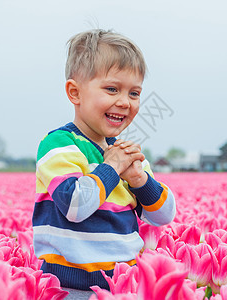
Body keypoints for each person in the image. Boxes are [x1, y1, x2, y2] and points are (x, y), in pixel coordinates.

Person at [32, 29, 176, 296]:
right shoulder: (59, 145)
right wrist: (111, 169)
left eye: (134, 93)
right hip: (69, 286)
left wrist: (139, 180)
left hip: (125, 283)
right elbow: (74, 206)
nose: (124, 102)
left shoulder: (125, 152)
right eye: (112, 89)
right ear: (75, 93)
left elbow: (163, 216)